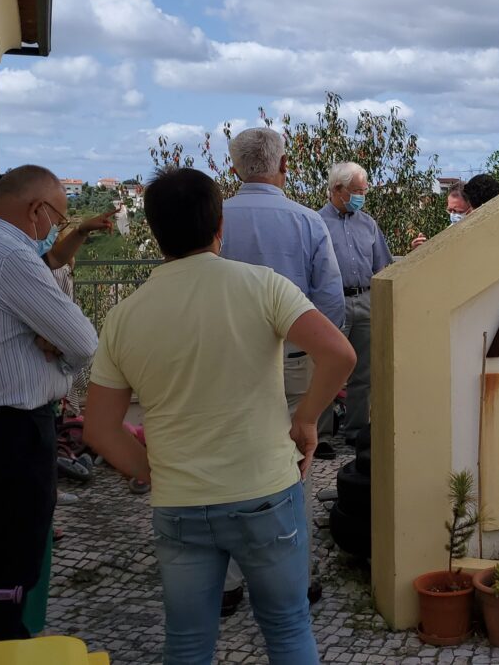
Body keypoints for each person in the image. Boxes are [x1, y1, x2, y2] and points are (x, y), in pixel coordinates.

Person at [84, 168, 354, 665]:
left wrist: (152, 470)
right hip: (265, 492)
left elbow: (100, 429)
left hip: (181, 502)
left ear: (154, 232)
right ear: (219, 225)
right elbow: (339, 354)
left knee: (188, 642)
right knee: (288, 627)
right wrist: (305, 420)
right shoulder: (263, 286)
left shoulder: (124, 315)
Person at [0, 165, 98, 642]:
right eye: (57, 219)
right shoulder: (10, 256)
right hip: (13, 427)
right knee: (13, 558)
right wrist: (60, 349)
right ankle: (3, 644)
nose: (53, 230)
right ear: (36, 209)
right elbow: (84, 340)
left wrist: (51, 340)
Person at [217, 126, 345, 613]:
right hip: (292, 358)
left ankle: (228, 582)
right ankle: (293, 577)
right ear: (284, 166)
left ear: (234, 167)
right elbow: (329, 299)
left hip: (226, 360)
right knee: (295, 464)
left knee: (229, 460)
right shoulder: (308, 222)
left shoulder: (215, 219)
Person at [318, 162, 393, 445]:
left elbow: (383, 265)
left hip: (365, 300)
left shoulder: (368, 223)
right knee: (326, 368)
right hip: (331, 302)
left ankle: (357, 431)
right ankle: (322, 435)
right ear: (338, 189)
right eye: (357, 191)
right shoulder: (316, 223)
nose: (362, 196)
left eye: (364, 190)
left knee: (364, 372)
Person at [410, 181, 472, 249]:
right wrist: (421, 248)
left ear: (471, 209)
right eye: (450, 210)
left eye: (458, 211)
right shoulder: (448, 233)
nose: (452, 215)